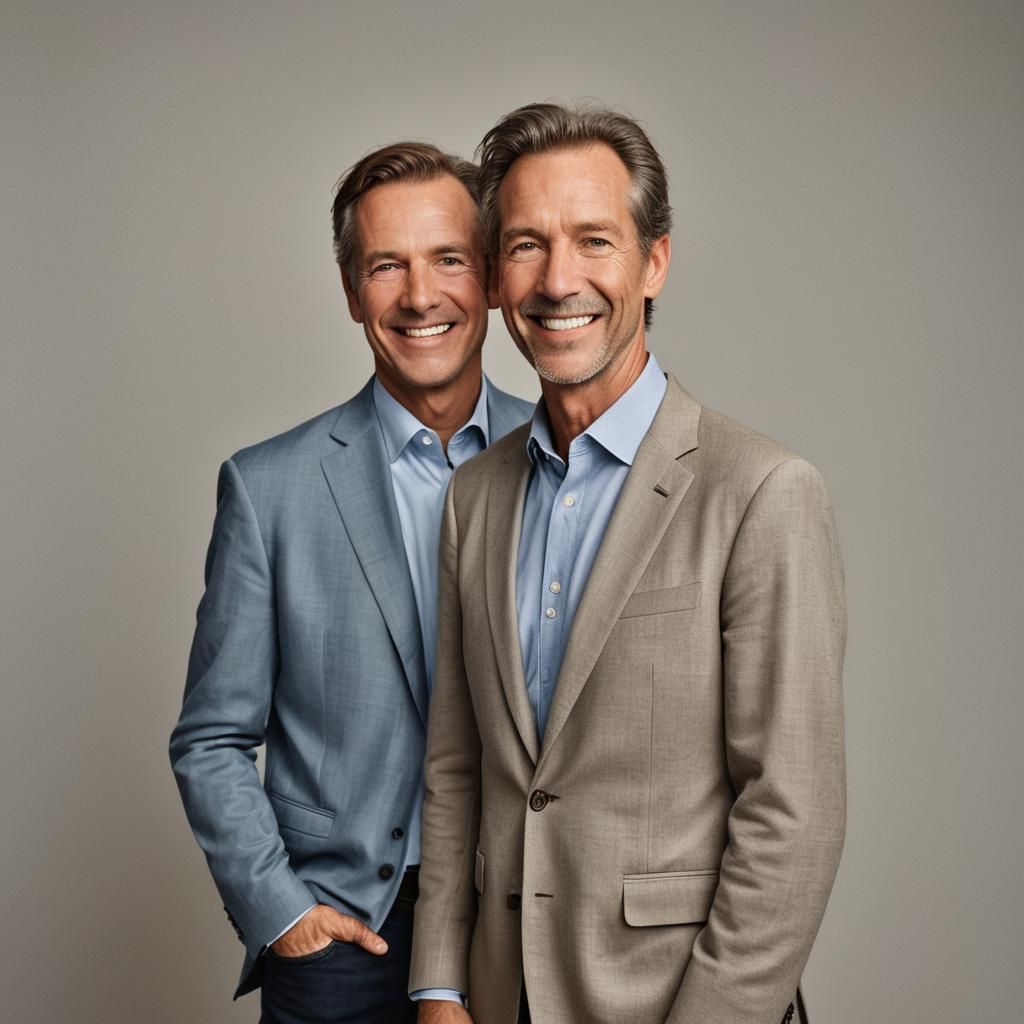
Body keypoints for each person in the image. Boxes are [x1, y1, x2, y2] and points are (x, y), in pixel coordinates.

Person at [410, 103, 846, 1024]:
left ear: (653, 262)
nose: (558, 279)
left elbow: (792, 817)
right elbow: (457, 768)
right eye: (526, 245)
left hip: (669, 1002)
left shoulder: (761, 491)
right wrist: (440, 984)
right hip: (495, 999)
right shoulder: (474, 497)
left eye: (593, 240)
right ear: (495, 278)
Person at [169, 141, 533, 1024]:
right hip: (346, 938)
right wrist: (282, 913)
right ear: (349, 291)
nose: (419, 295)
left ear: (487, 278)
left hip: (521, 925)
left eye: (448, 258)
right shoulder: (268, 489)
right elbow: (210, 738)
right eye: (385, 266)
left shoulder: (561, 463)